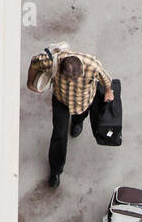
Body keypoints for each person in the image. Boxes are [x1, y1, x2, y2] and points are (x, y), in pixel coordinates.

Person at [25, 48, 115, 187]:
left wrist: (108, 91)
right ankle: (56, 170)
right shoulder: (52, 61)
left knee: (80, 116)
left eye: (74, 79)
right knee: (59, 135)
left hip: (83, 102)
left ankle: (77, 123)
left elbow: (106, 79)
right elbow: (34, 62)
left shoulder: (93, 65)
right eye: (67, 79)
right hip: (61, 101)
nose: (70, 82)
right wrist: (30, 83)